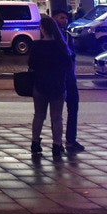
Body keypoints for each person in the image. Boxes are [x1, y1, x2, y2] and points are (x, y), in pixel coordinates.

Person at [28, 14, 72, 159]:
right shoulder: (61, 46)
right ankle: (57, 145)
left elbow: (31, 65)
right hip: (58, 85)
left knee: (39, 115)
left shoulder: (37, 46)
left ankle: (35, 143)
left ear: (42, 29)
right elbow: (68, 66)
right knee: (57, 117)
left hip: (40, 85)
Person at [54, 9, 85, 152]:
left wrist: (73, 73)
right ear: (54, 19)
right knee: (56, 112)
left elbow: (73, 57)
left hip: (69, 77)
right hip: (57, 77)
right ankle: (57, 142)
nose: (64, 20)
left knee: (73, 107)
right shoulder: (50, 36)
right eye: (61, 17)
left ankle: (71, 139)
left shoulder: (67, 36)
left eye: (66, 18)